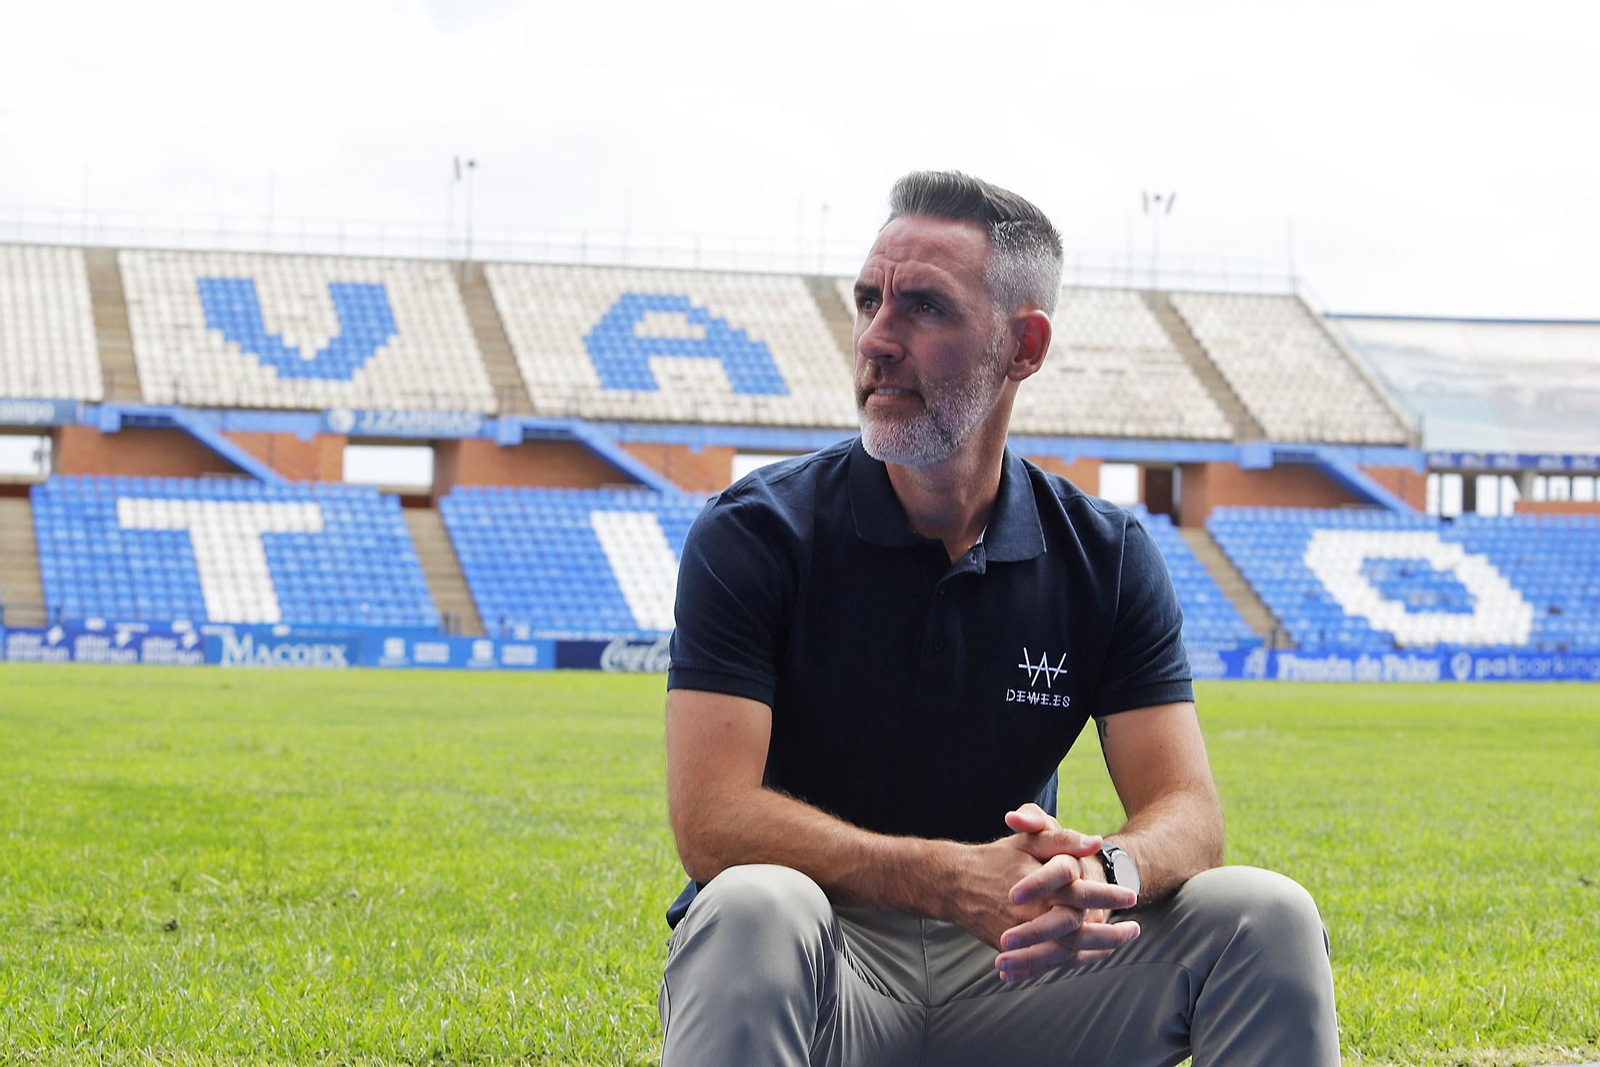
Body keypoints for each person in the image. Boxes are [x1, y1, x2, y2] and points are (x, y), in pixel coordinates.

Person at [659, 170, 1339, 1066]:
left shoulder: (1104, 552)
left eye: (925, 308)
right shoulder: (758, 530)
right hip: (826, 956)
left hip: (1020, 960)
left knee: (1266, 913)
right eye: (870, 301)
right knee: (751, 903)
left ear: (1024, 346)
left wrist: (1099, 870)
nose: (876, 339)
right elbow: (710, 819)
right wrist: (949, 878)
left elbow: (1186, 810)